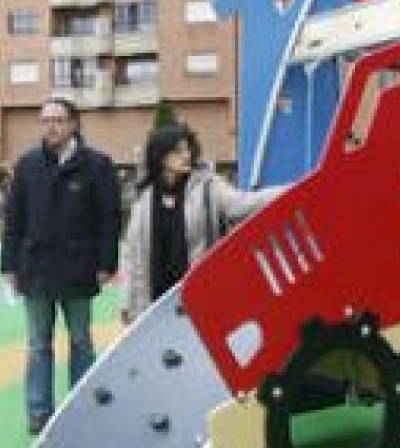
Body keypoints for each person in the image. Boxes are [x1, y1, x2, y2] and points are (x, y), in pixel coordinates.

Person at [0, 97, 120, 435]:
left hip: (79, 270)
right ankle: (39, 412)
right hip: (35, 270)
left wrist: (106, 262)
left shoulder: (97, 165)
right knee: (39, 344)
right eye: (45, 120)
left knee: (81, 340)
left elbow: (109, 219)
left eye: (57, 119)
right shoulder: (27, 166)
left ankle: (82, 409)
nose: (50, 126)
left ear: (73, 125)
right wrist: (8, 265)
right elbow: (14, 220)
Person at [121, 123, 282, 325]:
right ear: (161, 156)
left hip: (198, 300)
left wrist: (291, 190)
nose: (186, 155)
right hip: (154, 305)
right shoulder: (145, 200)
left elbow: (241, 205)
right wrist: (127, 302)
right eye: (178, 151)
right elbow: (131, 255)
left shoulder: (208, 186)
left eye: (188, 148)